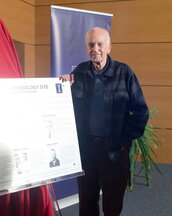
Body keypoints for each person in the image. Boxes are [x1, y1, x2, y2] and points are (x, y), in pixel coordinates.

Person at [60, 27, 149, 216]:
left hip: (114, 152)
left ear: (109, 47)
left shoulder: (124, 72)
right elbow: (68, 111)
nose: (95, 49)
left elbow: (141, 111)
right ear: (86, 48)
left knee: (112, 205)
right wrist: (63, 89)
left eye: (100, 44)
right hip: (86, 151)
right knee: (86, 205)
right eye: (91, 44)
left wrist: (124, 141)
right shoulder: (80, 73)